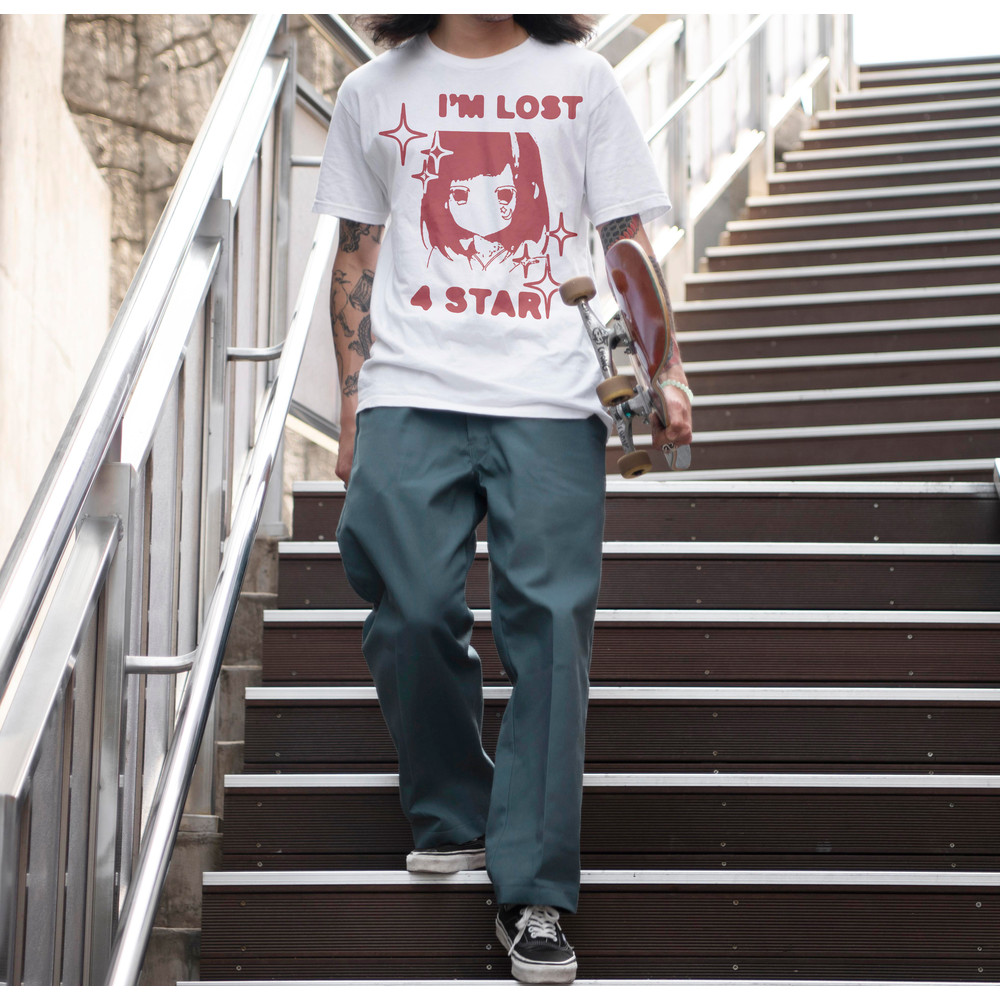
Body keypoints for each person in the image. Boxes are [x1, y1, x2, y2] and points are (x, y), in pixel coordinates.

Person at [313, 13, 693, 985]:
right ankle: (451, 808)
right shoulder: (372, 90)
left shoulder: (581, 77)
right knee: (404, 594)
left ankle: (534, 892)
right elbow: (357, 253)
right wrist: (353, 401)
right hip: (409, 386)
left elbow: (623, 238)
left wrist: (667, 368)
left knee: (550, 630)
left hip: (551, 392)